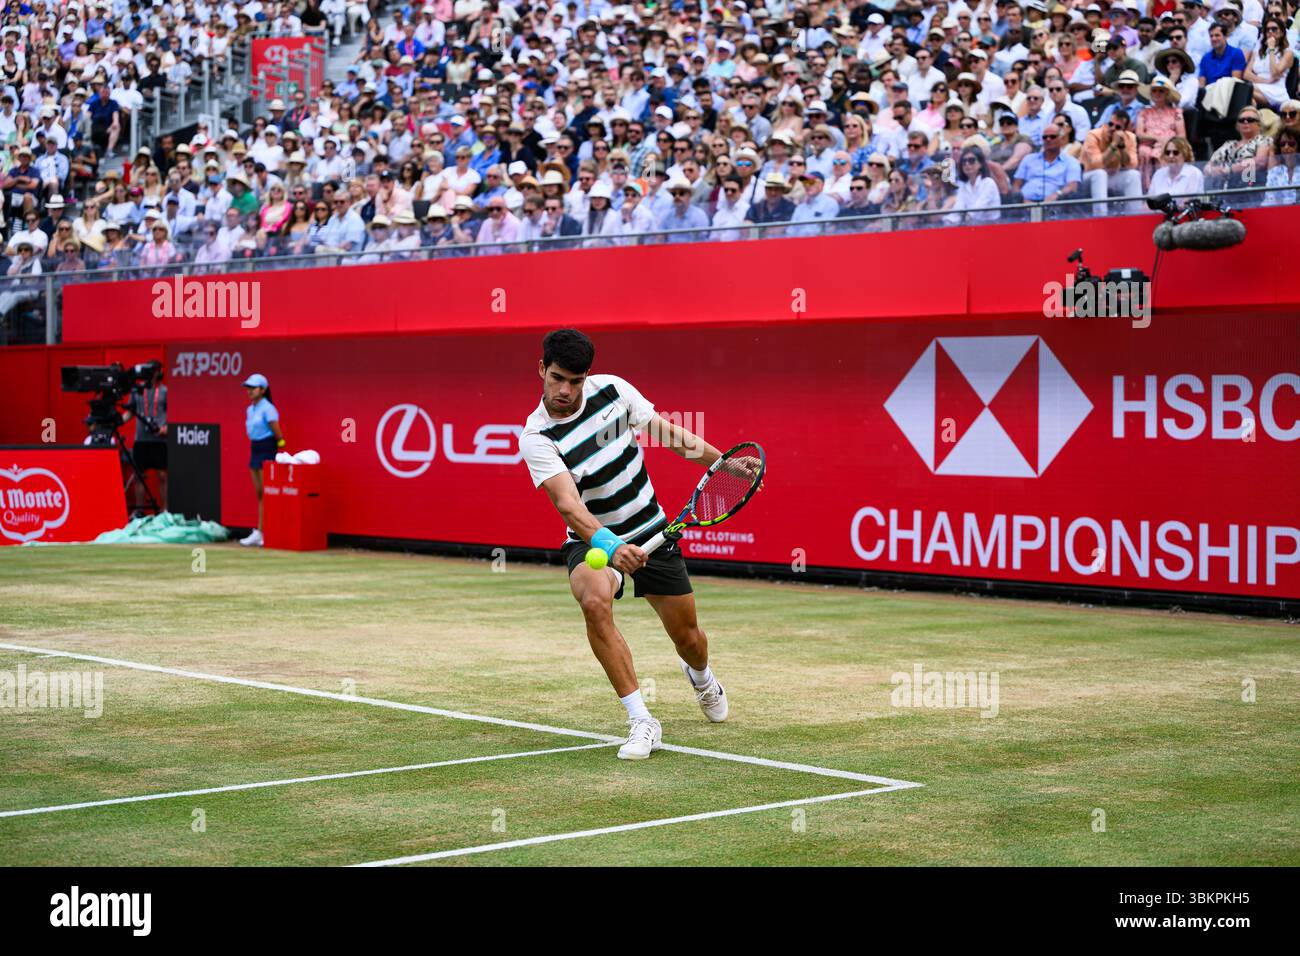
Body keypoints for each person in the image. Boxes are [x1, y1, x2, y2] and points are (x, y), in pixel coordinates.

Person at [519, 329, 739, 760]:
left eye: (576, 381)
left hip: (653, 531)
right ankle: (642, 720)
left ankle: (702, 678)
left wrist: (724, 465)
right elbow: (569, 506)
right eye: (557, 378)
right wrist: (609, 544)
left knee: (689, 638)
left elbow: (672, 435)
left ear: (588, 377)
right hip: (593, 540)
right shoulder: (537, 437)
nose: (565, 390)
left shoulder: (615, 391)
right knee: (592, 599)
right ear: (542, 370)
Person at [241, 373, 285, 548]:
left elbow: (276, 429)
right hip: (255, 448)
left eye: (253, 388)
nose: (250, 391)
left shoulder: (268, 408)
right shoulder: (249, 409)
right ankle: (259, 532)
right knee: (260, 493)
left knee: (268, 493)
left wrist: (280, 440)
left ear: (263, 390)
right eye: (248, 388)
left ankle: (269, 531)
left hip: (268, 448)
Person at [121, 364, 168, 514]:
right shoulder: (137, 391)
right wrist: (117, 421)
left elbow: (174, 414)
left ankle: (165, 509)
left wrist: (166, 428)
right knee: (138, 475)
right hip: (141, 439)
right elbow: (129, 413)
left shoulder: (165, 391)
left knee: (162, 475)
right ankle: (140, 510)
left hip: (159, 439)